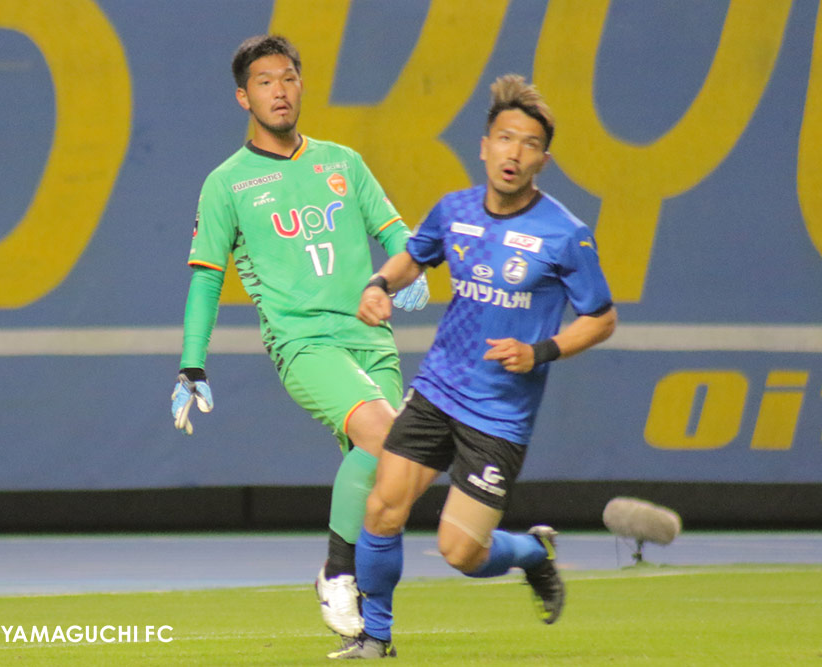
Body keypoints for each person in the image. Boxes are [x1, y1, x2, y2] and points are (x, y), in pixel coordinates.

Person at [329, 74, 617, 659]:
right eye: (505, 138)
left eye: (530, 144)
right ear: (484, 146)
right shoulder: (454, 210)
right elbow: (414, 256)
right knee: (382, 508)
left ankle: (532, 553)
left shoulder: (565, 235)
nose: (515, 153)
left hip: (500, 415)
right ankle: (375, 638)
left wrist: (540, 352)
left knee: (460, 553)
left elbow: (602, 318)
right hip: (438, 390)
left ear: (543, 160)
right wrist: (380, 283)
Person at [169, 35, 429, 641]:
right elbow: (207, 280)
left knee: (388, 473)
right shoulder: (227, 183)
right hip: (304, 342)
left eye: (288, 78)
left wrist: (408, 270)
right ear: (244, 98)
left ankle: (371, 635)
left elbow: (397, 234)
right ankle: (337, 573)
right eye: (264, 82)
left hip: (372, 338)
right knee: (385, 435)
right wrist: (192, 365)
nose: (279, 91)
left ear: (301, 85)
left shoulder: (343, 162)